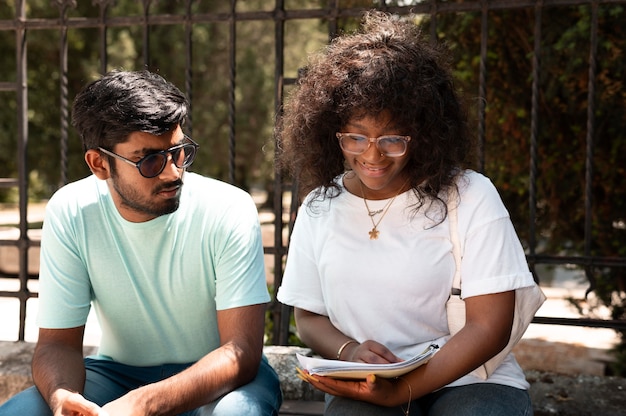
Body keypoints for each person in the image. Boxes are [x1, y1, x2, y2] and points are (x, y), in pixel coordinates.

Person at [276, 11, 536, 416]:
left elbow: (489, 327)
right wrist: (350, 350)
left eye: (392, 138)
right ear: (333, 133)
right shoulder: (319, 207)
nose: (372, 154)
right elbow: (308, 315)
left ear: (425, 133)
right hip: (368, 383)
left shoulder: (470, 195)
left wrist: (404, 391)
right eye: (355, 137)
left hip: (470, 379)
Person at [0, 70, 282, 416]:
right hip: (118, 375)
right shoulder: (71, 210)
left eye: (178, 152)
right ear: (99, 164)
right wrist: (63, 397)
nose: (172, 172)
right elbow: (58, 344)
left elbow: (241, 351)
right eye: (150, 160)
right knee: (22, 412)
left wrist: (144, 404)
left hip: (221, 378)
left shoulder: (228, 208)